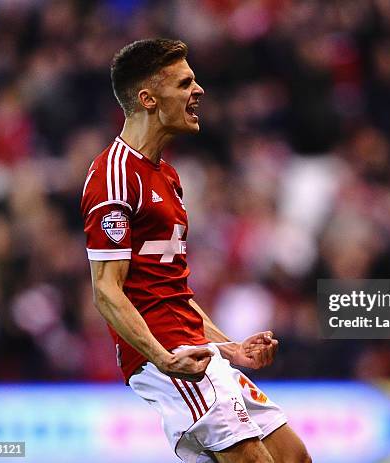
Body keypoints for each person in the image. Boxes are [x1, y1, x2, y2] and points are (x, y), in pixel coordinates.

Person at [81, 38, 311, 463]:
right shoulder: (113, 177)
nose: (199, 90)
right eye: (185, 82)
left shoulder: (167, 176)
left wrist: (230, 348)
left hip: (193, 348)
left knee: (294, 456)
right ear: (148, 99)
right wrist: (162, 358)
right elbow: (107, 291)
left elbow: (174, 290)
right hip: (167, 355)